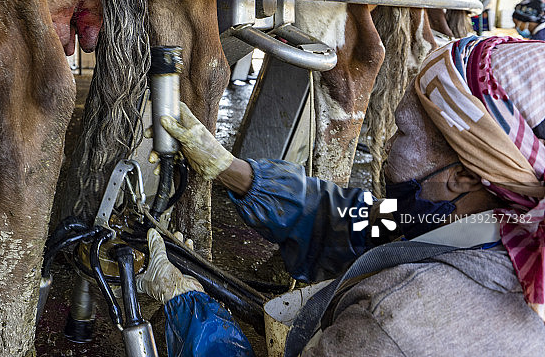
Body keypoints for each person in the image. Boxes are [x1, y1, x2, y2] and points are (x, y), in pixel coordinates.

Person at [136, 35, 545, 356]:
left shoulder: (396, 323)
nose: (385, 140)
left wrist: (191, 312)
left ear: (463, 176)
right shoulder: (495, 221)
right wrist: (231, 170)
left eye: (401, 132)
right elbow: (355, 218)